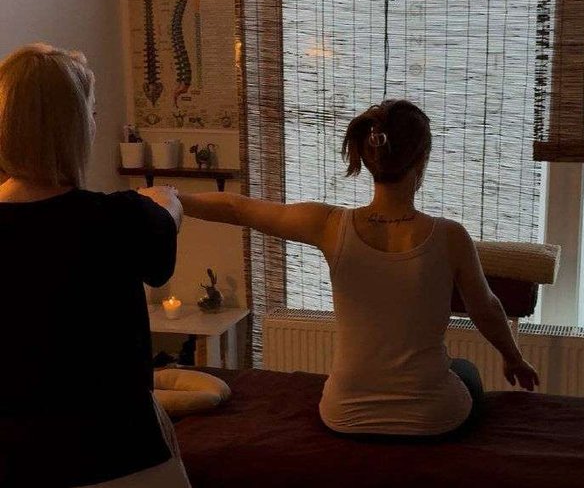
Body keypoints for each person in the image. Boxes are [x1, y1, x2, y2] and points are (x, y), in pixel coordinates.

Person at [179, 99, 539, 438]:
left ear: (367, 158)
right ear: (422, 159)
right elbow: (486, 307)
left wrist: (172, 199)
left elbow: (238, 208)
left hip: (344, 414)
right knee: (466, 370)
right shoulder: (450, 236)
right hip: (433, 419)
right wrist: (514, 359)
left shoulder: (330, 226)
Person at [0, 44, 189, 486]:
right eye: (91, 112)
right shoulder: (119, 218)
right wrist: (164, 198)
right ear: (74, 126)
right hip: (120, 452)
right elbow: (165, 219)